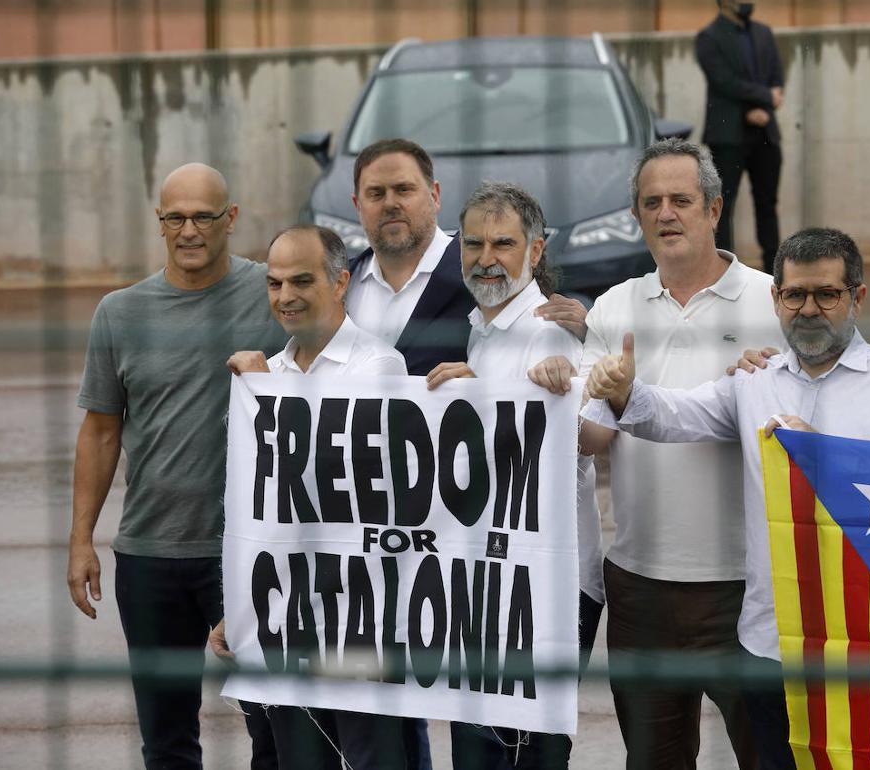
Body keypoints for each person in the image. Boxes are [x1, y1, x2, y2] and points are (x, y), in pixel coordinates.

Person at [584, 227, 870, 769]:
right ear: (776, 299)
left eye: (827, 294)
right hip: (768, 639)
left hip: (858, 638)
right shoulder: (755, 379)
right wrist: (625, 390)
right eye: (795, 295)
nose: (809, 309)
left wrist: (821, 455)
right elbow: (675, 415)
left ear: (858, 297)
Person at [67, 162, 282, 769]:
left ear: (230, 219)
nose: (189, 231)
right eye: (176, 218)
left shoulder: (275, 293)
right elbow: (101, 431)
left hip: (246, 552)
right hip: (150, 556)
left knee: (274, 728)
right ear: (160, 222)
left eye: (204, 217)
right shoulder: (120, 312)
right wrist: (81, 540)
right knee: (166, 741)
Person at [576, 138, 776, 769]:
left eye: (681, 200)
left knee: (772, 758)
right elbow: (590, 440)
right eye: (651, 202)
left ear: (714, 208)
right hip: (641, 590)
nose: (666, 214)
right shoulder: (614, 306)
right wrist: (578, 392)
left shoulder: (773, 300)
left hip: (747, 587)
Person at [212, 224, 417, 770]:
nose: (286, 296)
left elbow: (334, 476)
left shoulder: (378, 365)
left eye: (301, 281)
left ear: (341, 282)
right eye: (275, 283)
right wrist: (240, 607)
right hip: (288, 616)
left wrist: (265, 393)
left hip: (361, 620)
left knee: (371, 761)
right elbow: (257, 506)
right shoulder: (269, 371)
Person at [423, 181, 602, 769]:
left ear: (536, 250)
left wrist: (484, 403)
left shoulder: (551, 333)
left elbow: (580, 442)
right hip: (488, 577)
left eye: (504, 243)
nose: (486, 258)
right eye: (473, 243)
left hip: (548, 585)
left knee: (530, 754)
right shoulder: (481, 329)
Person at [346, 138, 588, 375]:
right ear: (357, 205)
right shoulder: (339, 284)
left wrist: (590, 334)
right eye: (376, 193)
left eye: (404, 189)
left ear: (435, 195)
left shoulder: (536, 324)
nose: (485, 260)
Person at [696, 0, 785, 276]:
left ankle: (775, 273)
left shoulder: (763, 32)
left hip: (765, 131)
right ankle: (725, 274)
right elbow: (724, 82)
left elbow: (776, 77)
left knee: (767, 204)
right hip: (728, 136)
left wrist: (764, 106)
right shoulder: (708, 38)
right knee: (722, 207)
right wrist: (759, 102)